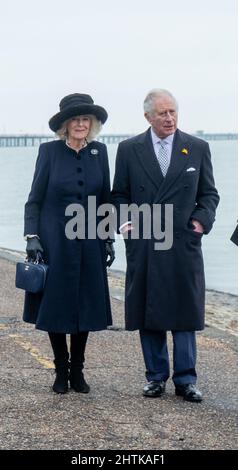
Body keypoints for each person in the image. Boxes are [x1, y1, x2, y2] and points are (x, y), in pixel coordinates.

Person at [111, 89, 219, 402]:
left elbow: (209, 194)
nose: (169, 118)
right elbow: (119, 195)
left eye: (173, 112)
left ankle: (186, 380)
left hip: (183, 242)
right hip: (144, 242)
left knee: (185, 311)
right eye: (162, 113)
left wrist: (200, 222)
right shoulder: (130, 149)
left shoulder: (197, 147)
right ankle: (155, 377)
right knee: (150, 309)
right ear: (148, 117)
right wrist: (125, 223)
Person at [23, 93, 115, 394]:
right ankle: (60, 369)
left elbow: (105, 200)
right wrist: (32, 237)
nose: (80, 123)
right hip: (55, 241)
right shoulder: (49, 152)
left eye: (85, 119)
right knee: (57, 304)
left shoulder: (99, 152)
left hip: (90, 241)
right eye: (75, 119)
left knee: (85, 304)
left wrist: (108, 237)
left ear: (92, 123)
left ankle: (78, 370)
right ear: (65, 125)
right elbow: (34, 199)